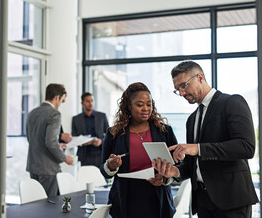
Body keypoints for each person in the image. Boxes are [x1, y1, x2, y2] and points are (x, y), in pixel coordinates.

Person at [154, 61, 259, 218]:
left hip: (232, 200)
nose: (181, 93)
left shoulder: (232, 103)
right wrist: (174, 171)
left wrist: (198, 148)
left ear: (200, 77)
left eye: (184, 86)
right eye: (177, 90)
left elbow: (246, 147)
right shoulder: (192, 120)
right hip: (203, 202)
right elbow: (192, 165)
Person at [101, 82, 177, 218]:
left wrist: (165, 178)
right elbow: (104, 170)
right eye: (140, 104)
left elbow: (178, 166)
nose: (146, 109)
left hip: (157, 197)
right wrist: (111, 166)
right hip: (126, 198)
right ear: (129, 106)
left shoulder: (164, 131)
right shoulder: (114, 133)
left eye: (149, 104)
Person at [26, 83, 73, 197]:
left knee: (36, 204)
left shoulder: (32, 112)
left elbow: (31, 138)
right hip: (48, 169)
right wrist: (65, 158)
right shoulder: (54, 114)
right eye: (62, 100)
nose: (61, 104)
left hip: (33, 166)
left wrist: (58, 145)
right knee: (49, 206)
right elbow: (50, 142)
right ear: (57, 97)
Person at [72, 92, 109, 167]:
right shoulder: (76, 119)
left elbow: (110, 136)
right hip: (84, 155)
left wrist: (101, 141)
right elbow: (74, 137)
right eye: (87, 101)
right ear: (82, 103)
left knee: (101, 178)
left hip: (100, 154)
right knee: (86, 178)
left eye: (92, 100)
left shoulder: (102, 116)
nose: (90, 103)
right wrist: (82, 142)